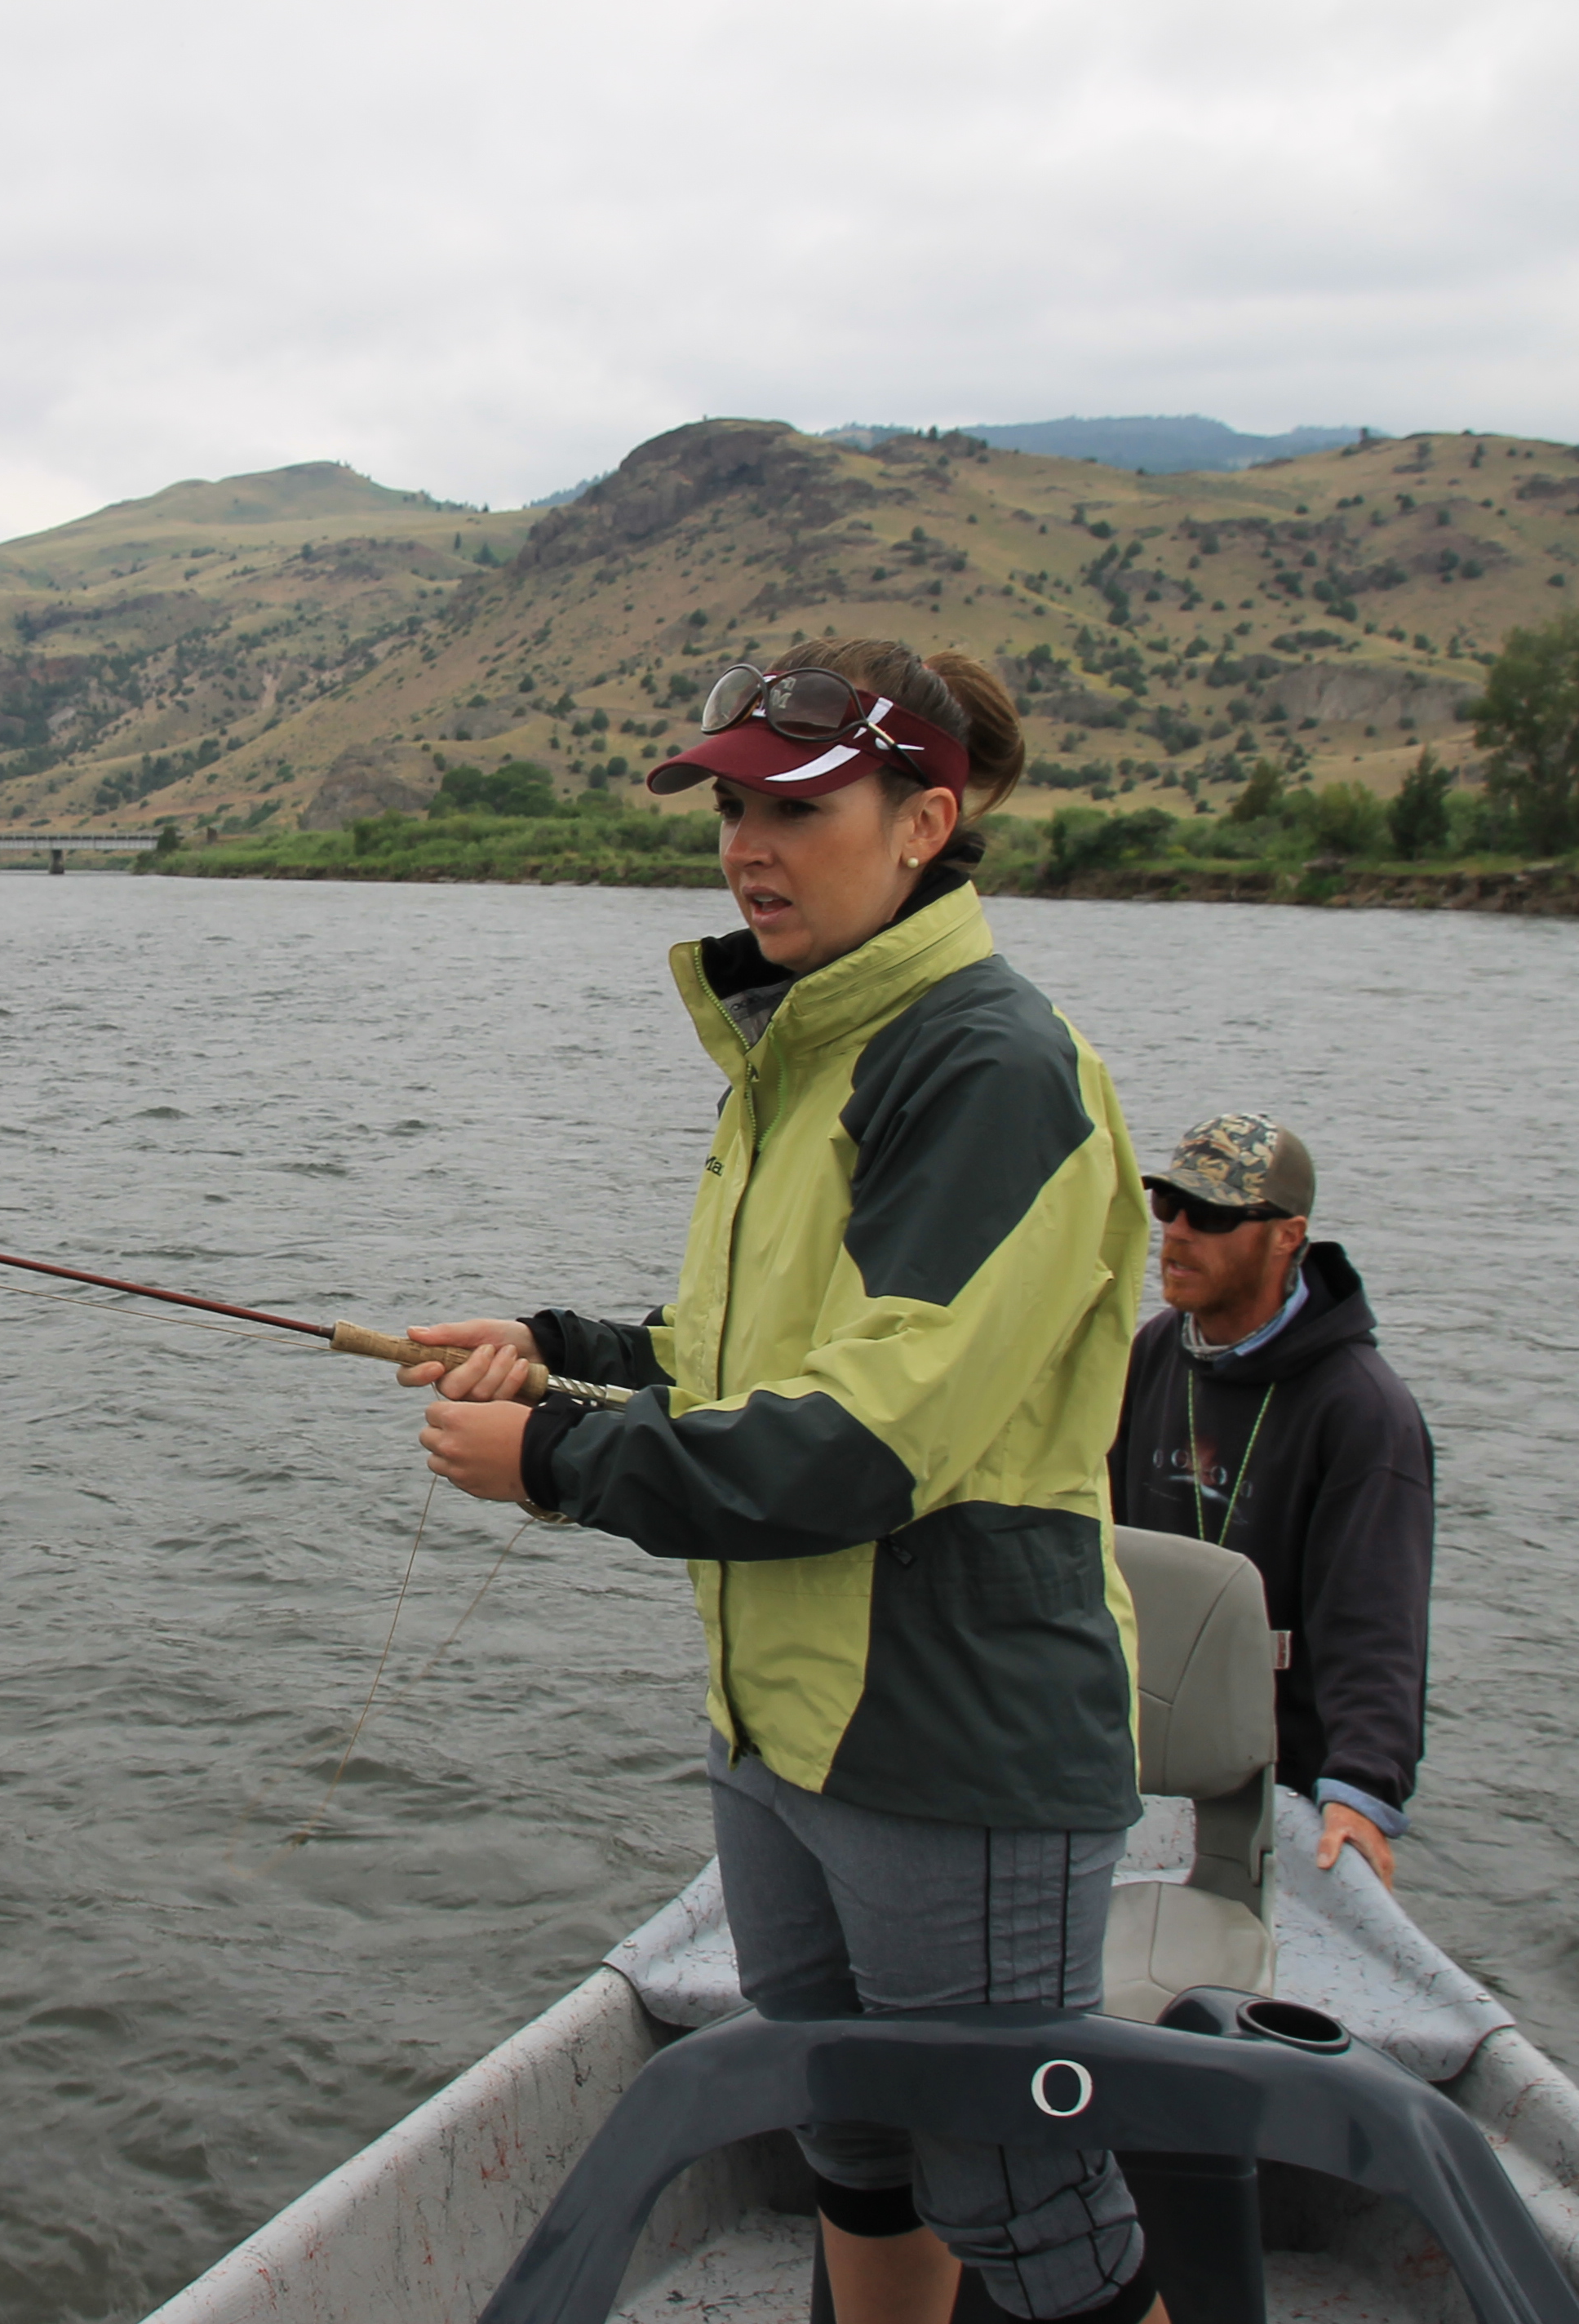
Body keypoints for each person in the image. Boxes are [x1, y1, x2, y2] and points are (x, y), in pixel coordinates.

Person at [399, 641, 1164, 2324]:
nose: (748, 844)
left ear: (923, 822)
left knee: (1023, 2197)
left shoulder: (988, 1065)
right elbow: (735, 1356)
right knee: (854, 2144)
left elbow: (863, 1438)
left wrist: (554, 1457)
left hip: (953, 1739)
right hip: (780, 1728)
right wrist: (555, 1349)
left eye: (798, 807)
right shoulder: (802, 1049)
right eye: (731, 807)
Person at [1109, 1115, 1434, 1887]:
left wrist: (1361, 1788)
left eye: (1211, 1215)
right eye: (1168, 1206)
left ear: (1289, 1237)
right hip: (1138, 1751)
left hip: (1276, 1783)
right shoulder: (1153, 1352)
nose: (1177, 1233)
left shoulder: (1364, 1412)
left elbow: (1376, 1622)